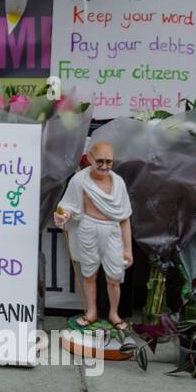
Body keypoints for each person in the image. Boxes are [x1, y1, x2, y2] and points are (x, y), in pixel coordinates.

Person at [53, 141, 133, 331]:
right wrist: (63, 216)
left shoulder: (118, 182)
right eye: (100, 161)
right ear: (89, 158)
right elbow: (69, 207)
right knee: (89, 274)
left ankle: (114, 313)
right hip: (87, 229)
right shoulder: (79, 180)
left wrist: (128, 249)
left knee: (114, 277)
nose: (104, 166)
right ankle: (91, 312)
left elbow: (124, 218)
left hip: (112, 231)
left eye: (109, 162)